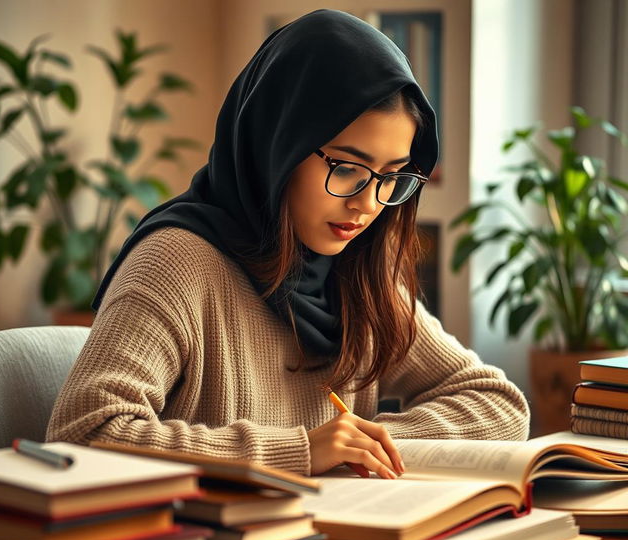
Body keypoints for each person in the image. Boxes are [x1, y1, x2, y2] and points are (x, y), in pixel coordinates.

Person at [47, 9, 529, 478]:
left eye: (390, 176)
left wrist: (366, 443)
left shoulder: (355, 270)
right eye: (345, 167)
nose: (367, 205)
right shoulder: (176, 264)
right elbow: (82, 433)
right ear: (278, 146)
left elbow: (499, 404)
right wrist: (297, 451)